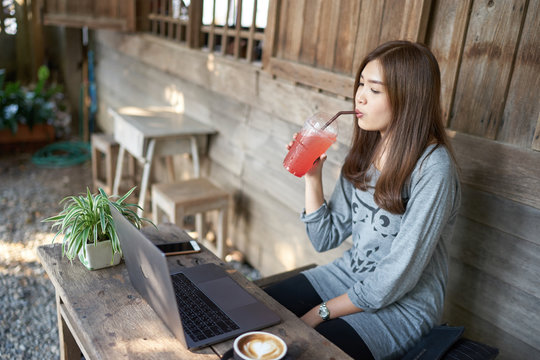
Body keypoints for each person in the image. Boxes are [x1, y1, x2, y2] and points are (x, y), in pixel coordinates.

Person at [266, 40, 461, 359]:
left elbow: (397, 276)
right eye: (360, 84)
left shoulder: (434, 168)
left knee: (306, 352)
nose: (359, 96)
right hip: (346, 276)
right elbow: (324, 239)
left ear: (408, 98)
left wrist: (320, 312)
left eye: (374, 89)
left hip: (402, 306)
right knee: (258, 311)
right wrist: (312, 176)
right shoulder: (366, 150)